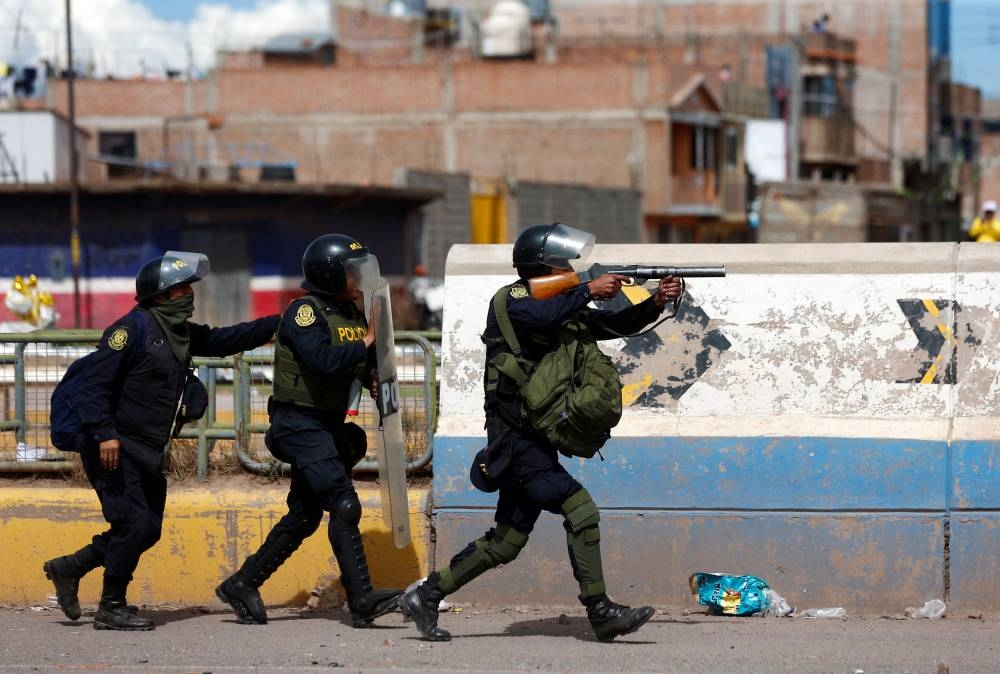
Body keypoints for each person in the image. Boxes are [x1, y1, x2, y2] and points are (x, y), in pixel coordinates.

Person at [398, 222, 684, 642]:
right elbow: (539, 313)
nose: (570, 268)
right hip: (513, 438)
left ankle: (426, 595)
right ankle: (601, 612)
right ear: (542, 266)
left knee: (506, 542)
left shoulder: (563, 305)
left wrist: (657, 300)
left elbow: (610, 325)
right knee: (580, 508)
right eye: (562, 264)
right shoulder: (514, 299)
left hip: (533, 439)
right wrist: (587, 288)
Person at [42, 251, 280, 631]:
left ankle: (70, 567)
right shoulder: (131, 330)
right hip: (113, 446)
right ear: (162, 295)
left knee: (146, 529)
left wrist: (281, 322)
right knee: (133, 525)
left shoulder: (178, 333)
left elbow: (225, 339)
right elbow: (93, 388)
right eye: (183, 288)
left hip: (147, 447)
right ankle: (111, 606)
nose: (190, 295)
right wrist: (105, 434)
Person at [216, 234, 404, 628]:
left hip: (327, 426)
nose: (358, 279)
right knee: (345, 503)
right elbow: (323, 361)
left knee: (304, 516)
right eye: (351, 272)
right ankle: (363, 600)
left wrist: (373, 375)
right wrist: (369, 338)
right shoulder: (306, 313)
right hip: (297, 424)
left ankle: (242, 583)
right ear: (330, 275)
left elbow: (362, 359)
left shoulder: (352, 312)